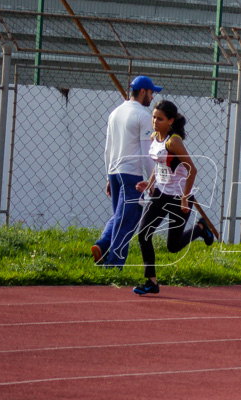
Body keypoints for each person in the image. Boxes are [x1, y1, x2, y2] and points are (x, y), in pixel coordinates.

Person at [132, 100, 214, 296]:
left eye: (159, 119)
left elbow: (192, 170)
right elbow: (160, 166)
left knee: (173, 246)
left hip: (179, 197)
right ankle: (151, 282)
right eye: (153, 117)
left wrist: (185, 199)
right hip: (160, 194)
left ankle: (201, 229)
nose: (154, 121)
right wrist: (149, 184)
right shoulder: (154, 137)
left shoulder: (173, 142)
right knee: (144, 234)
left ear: (170, 121)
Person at [91, 76, 160, 268]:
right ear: (143, 91)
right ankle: (114, 264)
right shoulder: (143, 116)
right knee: (128, 219)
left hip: (114, 171)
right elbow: (147, 152)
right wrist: (152, 181)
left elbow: (108, 147)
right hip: (131, 173)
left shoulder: (115, 113)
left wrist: (108, 176)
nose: (152, 96)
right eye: (151, 92)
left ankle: (103, 245)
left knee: (119, 215)